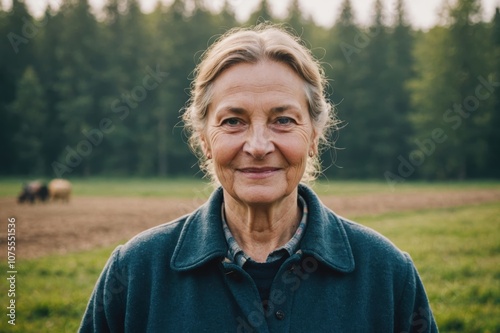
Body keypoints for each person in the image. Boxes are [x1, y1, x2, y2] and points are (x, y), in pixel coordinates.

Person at [79, 24, 438, 332]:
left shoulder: (388, 276)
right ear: (204, 139)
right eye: (233, 121)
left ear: (314, 136)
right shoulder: (136, 273)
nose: (258, 145)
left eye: (283, 120)